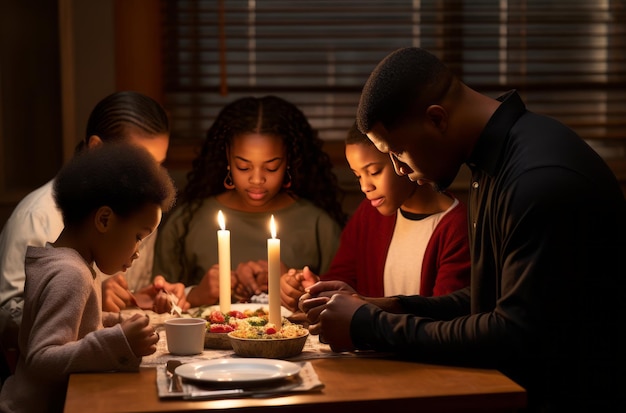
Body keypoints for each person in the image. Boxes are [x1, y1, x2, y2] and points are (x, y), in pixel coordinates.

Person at [299, 47, 626, 412]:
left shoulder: (538, 180)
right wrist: (385, 305)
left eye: (398, 151)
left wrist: (369, 324)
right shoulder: (493, 163)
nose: (399, 169)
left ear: (437, 118)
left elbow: (514, 334)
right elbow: (488, 299)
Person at [0, 91, 188, 380]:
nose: (151, 178)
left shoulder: (136, 210)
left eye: (158, 165)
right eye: (139, 164)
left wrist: (135, 299)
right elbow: (20, 327)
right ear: (97, 149)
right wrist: (91, 301)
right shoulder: (37, 219)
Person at [0, 143, 176, 413]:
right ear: (104, 219)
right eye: (138, 236)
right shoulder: (70, 274)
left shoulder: (66, 261)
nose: (138, 251)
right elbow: (42, 358)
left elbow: (71, 323)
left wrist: (114, 321)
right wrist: (118, 341)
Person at [154, 95, 346, 307]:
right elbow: (156, 301)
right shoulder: (187, 222)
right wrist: (195, 296)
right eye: (243, 167)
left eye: (271, 167)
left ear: (289, 160)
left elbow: (345, 301)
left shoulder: (319, 225)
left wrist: (299, 289)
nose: (256, 179)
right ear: (228, 156)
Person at [280, 122, 470, 312]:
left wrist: (364, 311)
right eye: (358, 176)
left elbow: (445, 313)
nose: (365, 187)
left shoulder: (456, 226)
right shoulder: (369, 214)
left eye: (374, 172)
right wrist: (316, 286)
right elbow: (344, 277)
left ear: (403, 158)